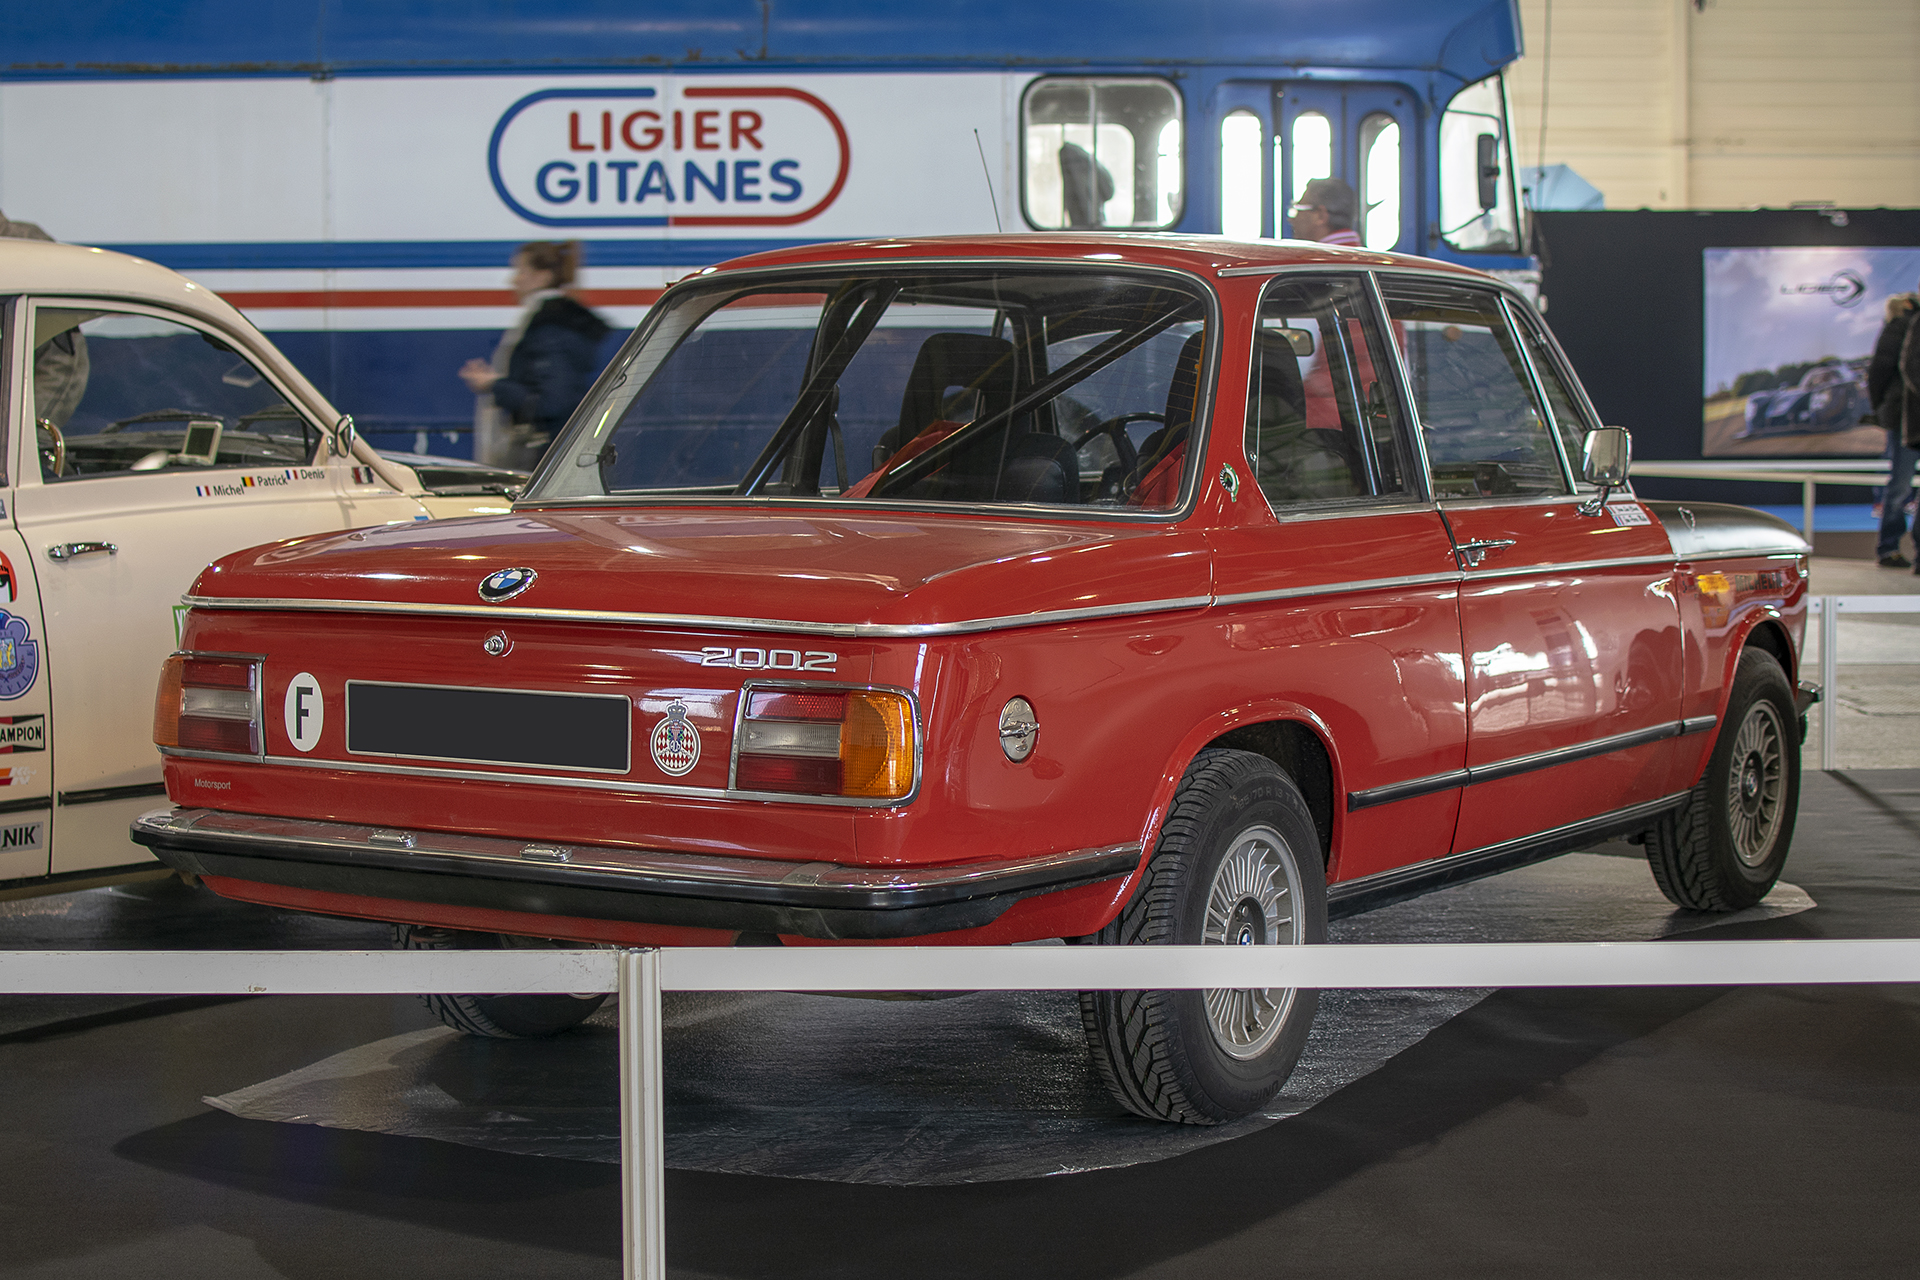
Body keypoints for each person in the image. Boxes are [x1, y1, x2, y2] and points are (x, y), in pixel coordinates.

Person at [459, 242, 610, 471]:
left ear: (543, 277)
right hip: (550, 456)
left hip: (543, 459)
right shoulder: (553, 323)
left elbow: (552, 402)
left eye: (521, 271)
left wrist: (495, 385)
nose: (513, 280)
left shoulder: (549, 328)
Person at [1867, 287, 1918, 568]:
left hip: (1902, 416)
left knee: (1899, 483)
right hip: (1904, 417)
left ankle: (1892, 548)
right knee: (1900, 483)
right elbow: (1881, 370)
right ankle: (1888, 547)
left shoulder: (1899, 325)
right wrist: (1883, 408)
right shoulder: (1901, 327)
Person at [1288, 177, 1361, 246]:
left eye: (1298, 210)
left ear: (1320, 216)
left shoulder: (1319, 255)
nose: (1291, 219)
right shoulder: (1362, 252)